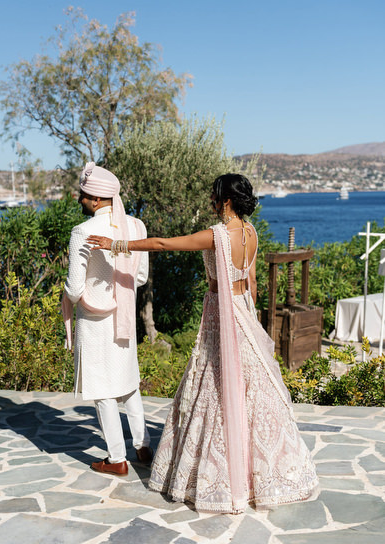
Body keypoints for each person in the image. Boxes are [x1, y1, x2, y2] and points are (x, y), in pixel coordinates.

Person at [87, 173, 319, 513]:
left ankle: (218, 474)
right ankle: (263, 469)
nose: (210, 200)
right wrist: (251, 322)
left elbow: (163, 244)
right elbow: (251, 281)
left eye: (214, 195)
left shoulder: (217, 236)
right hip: (242, 311)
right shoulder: (251, 233)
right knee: (250, 387)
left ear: (224, 200)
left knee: (213, 382)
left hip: (219, 313)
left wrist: (117, 245)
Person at [62, 162, 152, 477]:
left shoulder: (82, 232)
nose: (79, 199)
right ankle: (143, 445)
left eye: (84, 195)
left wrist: (67, 294)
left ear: (98, 200)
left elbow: (74, 290)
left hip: (94, 322)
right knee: (128, 384)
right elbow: (140, 277)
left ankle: (117, 458)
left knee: (102, 389)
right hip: (125, 316)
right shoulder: (137, 226)